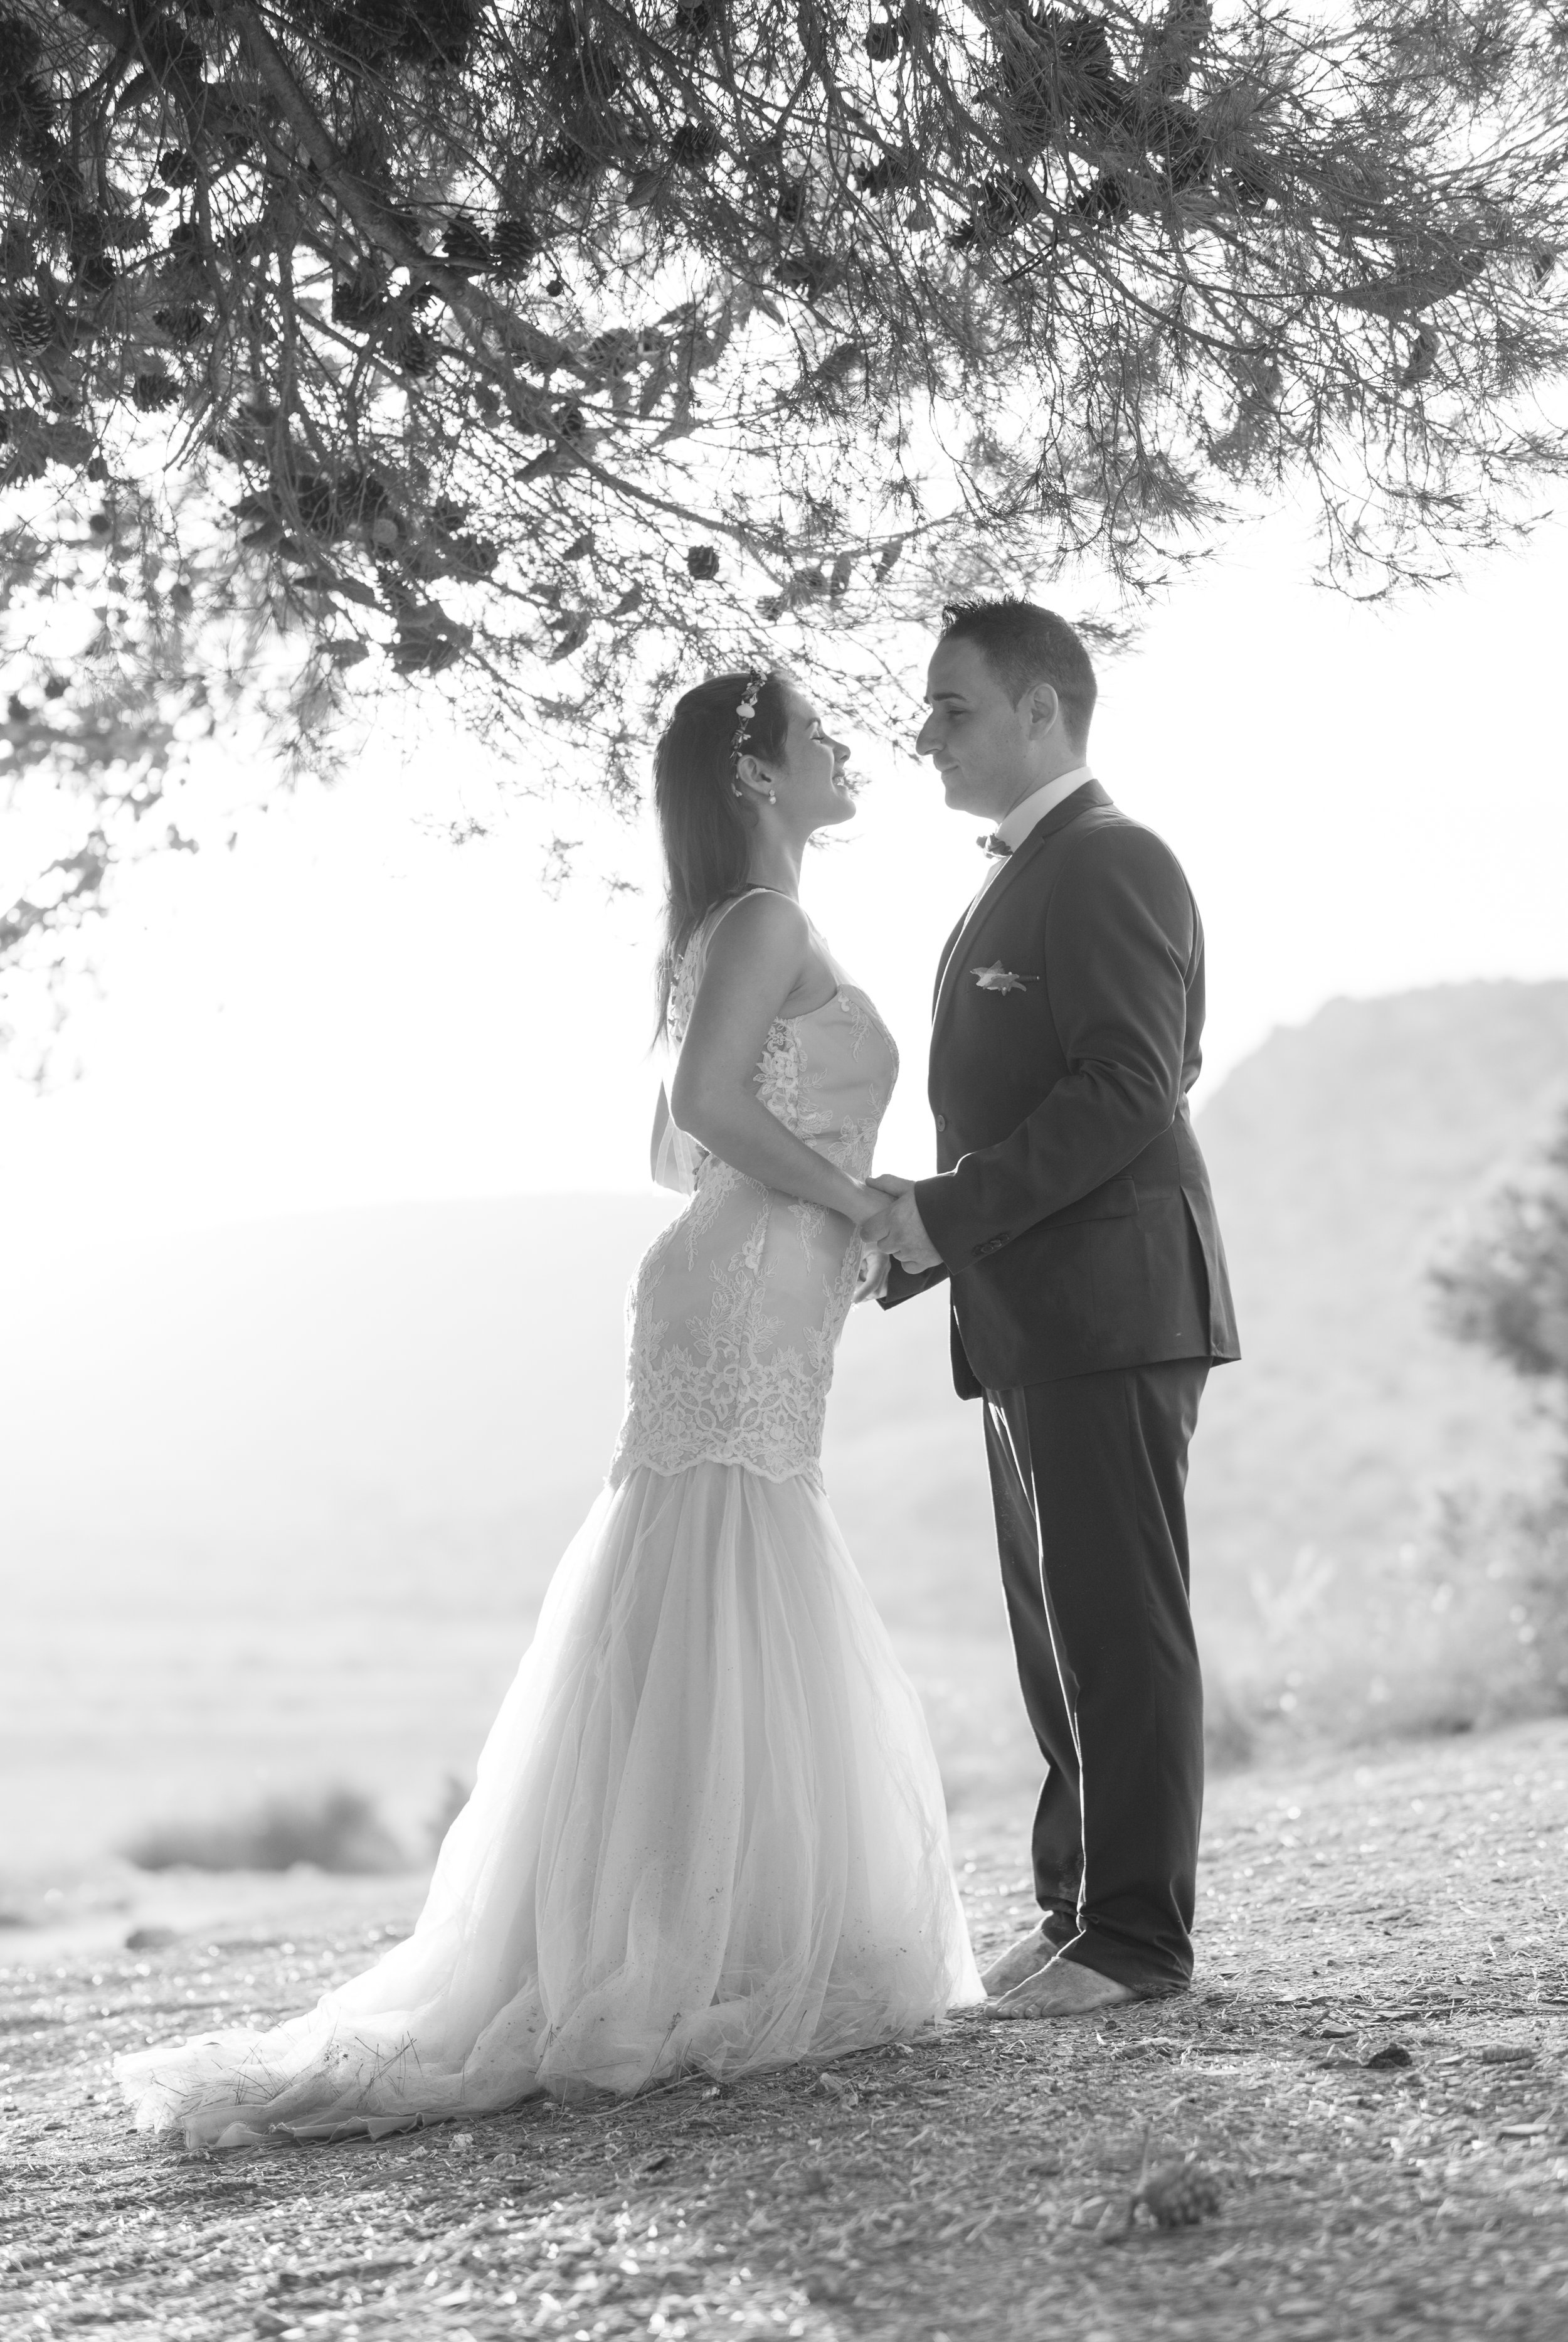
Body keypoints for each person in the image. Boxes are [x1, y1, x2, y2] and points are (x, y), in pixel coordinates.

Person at [114, 667, 981, 2148]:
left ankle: (696, 1930)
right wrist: (851, 1200)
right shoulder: (763, 925)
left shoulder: (731, 927)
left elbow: (669, 1152)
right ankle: (687, 1948)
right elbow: (701, 1115)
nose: (849, 751)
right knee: (726, 1569)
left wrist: (818, 1200)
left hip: (744, 1277)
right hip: (748, 1283)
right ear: (754, 773)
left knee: (710, 1575)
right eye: (819, 736)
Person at [864, 598, 1239, 2015]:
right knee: (1055, 1625)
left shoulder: (1113, 858)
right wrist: (917, 1234)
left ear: (1039, 710)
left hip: (1112, 1301)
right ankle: (1079, 1910)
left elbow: (1131, 1084)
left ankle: (1138, 1939)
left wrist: (943, 1213)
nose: (926, 734)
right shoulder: (1013, 876)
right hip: (1030, 1310)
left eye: (950, 707)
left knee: (1117, 1619)